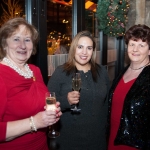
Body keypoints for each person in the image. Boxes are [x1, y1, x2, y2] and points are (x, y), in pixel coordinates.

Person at [0, 17, 62, 150]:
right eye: (16, 39)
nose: (22, 45)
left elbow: (39, 104)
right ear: (5, 44)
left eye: (27, 40)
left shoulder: (35, 71)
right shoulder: (1, 75)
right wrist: (35, 122)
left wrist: (50, 115)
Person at [47, 30, 110, 150]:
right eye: (80, 47)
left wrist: (106, 130)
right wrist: (66, 101)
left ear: (93, 51)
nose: (84, 52)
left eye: (89, 48)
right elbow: (48, 103)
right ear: (73, 49)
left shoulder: (102, 72)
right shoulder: (61, 72)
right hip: (68, 140)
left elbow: (106, 105)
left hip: (97, 140)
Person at [107, 24, 150, 150]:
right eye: (132, 44)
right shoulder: (122, 72)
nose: (135, 49)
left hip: (136, 145)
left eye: (141, 45)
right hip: (113, 139)